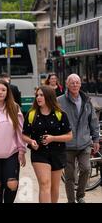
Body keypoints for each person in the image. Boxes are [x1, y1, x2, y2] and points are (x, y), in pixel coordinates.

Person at [22, 86, 72, 203]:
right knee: (44, 183)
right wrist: (30, 142)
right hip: (39, 153)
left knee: (54, 187)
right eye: (37, 95)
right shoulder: (31, 114)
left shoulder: (60, 114)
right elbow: (24, 135)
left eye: (41, 95)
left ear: (49, 97)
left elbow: (69, 136)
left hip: (57, 153)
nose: (38, 98)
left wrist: (53, 138)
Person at [57, 74, 100, 203]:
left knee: (86, 169)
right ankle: (71, 200)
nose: (75, 85)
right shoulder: (59, 101)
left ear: (80, 84)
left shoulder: (87, 100)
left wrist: (96, 139)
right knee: (69, 176)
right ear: (67, 84)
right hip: (67, 144)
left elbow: (93, 120)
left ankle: (80, 195)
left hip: (84, 143)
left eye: (77, 82)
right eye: (72, 83)